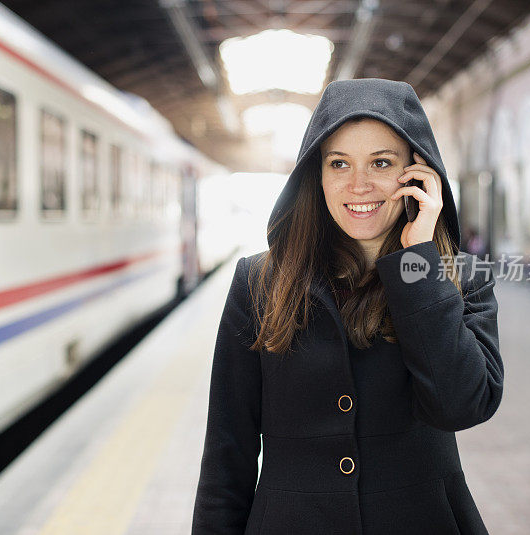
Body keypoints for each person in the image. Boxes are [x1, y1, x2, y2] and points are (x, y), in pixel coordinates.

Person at [191, 78, 503, 535]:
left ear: (419, 172)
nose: (359, 185)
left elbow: (463, 405)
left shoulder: (458, 278)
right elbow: (227, 449)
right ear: (315, 175)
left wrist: (417, 264)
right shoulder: (259, 282)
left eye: (381, 162)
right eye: (339, 163)